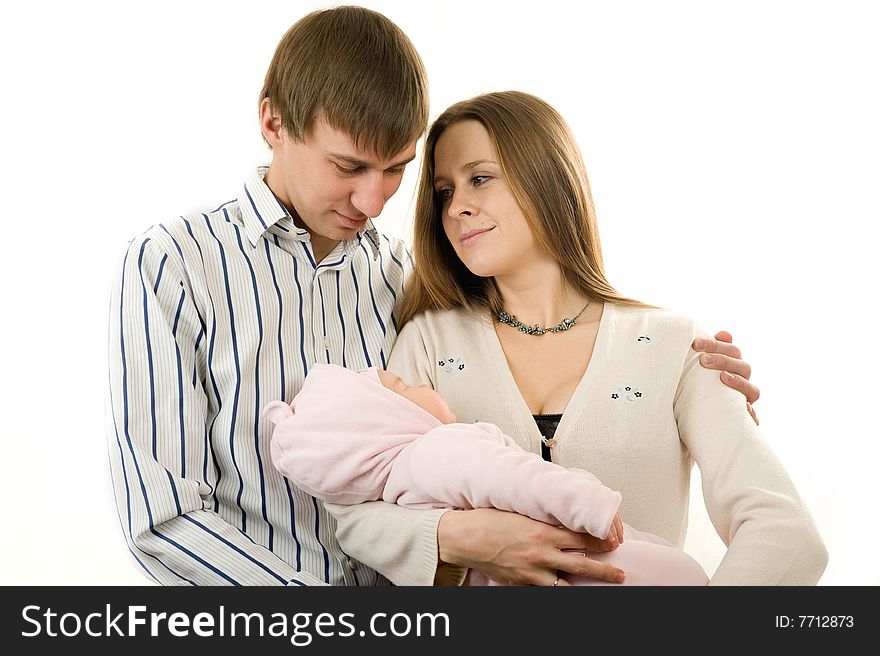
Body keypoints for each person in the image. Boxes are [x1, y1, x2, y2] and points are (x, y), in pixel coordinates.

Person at [106, 6, 759, 587]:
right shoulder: (172, 267)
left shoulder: (405, 279)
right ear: (272, 120)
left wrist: (694, 378)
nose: (373, 200)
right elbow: (164, 518)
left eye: (396, 169)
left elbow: (542, 331)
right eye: (348, 167)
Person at [331, 91, 827, 586]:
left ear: (546, 176)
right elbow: (361, 516)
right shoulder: (427, 343)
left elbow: (786, 534)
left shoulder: (676, 346)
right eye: (444, 192)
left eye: (479, 178)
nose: (457, 206)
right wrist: (456, 537)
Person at [264, 363, 710, 586]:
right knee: (681, 574)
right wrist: (588, 502)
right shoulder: (438, 448)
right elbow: (513, 476)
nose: (423, 386)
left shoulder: (397, 485)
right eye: (403, 388)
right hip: (574, 554)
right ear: (388, 417)